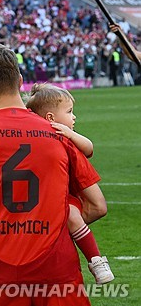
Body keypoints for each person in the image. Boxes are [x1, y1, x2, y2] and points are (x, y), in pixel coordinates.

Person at [0, 44, 107, 306]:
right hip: (57, 268)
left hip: (0, 270)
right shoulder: (59, 132)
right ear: (20, 82)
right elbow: (98, 205)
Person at [26, 83, 114, 284]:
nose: (74, 117)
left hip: (62, 199)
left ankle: (96, 260)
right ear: (50, 118)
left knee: (72, 215)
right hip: (41, 201)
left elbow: (89, 148)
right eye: (69, 111)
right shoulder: (43, 138)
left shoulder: (67, 137)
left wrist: (71, 134)